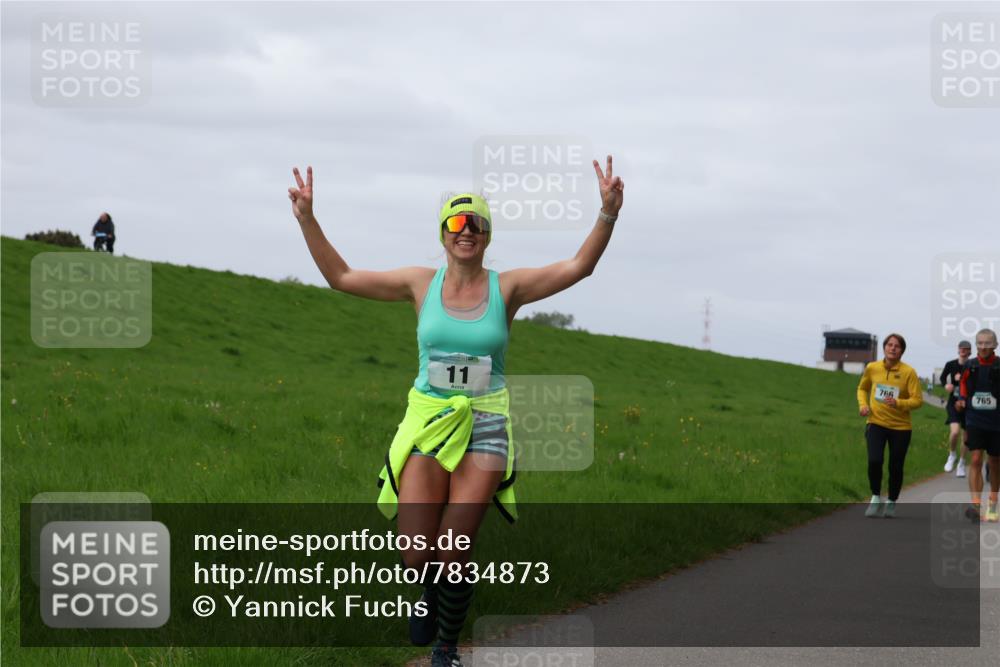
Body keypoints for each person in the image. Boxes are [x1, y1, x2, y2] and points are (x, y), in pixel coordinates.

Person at [287, 158, 623, 666]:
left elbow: (579, 267)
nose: (467, 232)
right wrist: (307, 218)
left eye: (477, 224)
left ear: (488, 235)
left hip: (486, 423)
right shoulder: (420, 284)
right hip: (429, 420)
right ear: (443, 233)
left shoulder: (506, 288)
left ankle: (447, 647)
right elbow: (341, 276)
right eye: (457, 224)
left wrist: (607, 214)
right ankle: (425, 590)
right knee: (417, 551)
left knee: (455, 545)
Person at [857, 333, 924, 518]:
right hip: (876, 423)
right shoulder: (872, 368)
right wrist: (863, 405)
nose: (893, 348)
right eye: (889, 345)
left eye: (897, 346)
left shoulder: (909, 372)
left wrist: (899, 403)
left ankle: (892, 501)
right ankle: (875, 497)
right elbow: (862, 388)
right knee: (874, 461)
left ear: (902, 350)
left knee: (895, 466)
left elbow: (918, 400)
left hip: (901, 428)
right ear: (884, 347)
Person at [955, 328, 1000, 523]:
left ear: (995, 346)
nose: (983, 347)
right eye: (980, 343)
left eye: (987, 343)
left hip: (997, 421)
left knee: (995, 462)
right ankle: (975, 504)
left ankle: (993, 502)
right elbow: (963, 386)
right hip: (975, 419)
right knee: (974, 459)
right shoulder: (970, 366)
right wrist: (962, 400)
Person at [941, 340, 973, 477]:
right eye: (961, 348)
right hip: (953, 402)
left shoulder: (973, 366)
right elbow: (943, 378)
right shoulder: (951, 364)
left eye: (966, 349)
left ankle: (961, 463)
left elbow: (976, 383)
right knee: (954, 432)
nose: (963, 351)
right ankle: (952, 455)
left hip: (967, 403)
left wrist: (964, 380)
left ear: (970, 352)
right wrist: (946, 385)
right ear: (958, 350)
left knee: (966, 436)